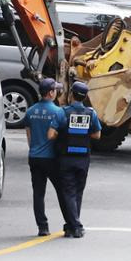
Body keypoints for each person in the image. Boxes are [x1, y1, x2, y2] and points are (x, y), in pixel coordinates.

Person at [47, 81, 101, 238]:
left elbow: (51, 135)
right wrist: (83, 133)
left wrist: (63, 134)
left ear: (71, 94)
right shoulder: (91, 113)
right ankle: (71, 225)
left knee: (68, 192)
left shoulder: (63, 113)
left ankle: (75, 226)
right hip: (83, 158)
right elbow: (97, 135)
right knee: (78, 192)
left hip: (66, 158)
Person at [24, 78, 67, 236]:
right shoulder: (58, 112)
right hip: (51, 159)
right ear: (51, 92)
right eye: (55, 90)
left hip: (34, 157)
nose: (57, 92)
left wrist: (35, 149)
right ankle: (69, 222)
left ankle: (43, 227)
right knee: (62, 191)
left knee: (38, 193)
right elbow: (62, 136)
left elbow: (29, 137)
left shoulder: (30, 112)